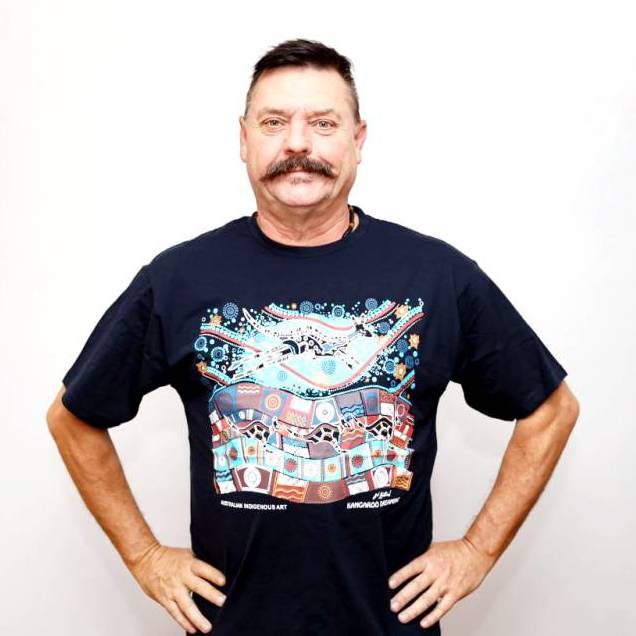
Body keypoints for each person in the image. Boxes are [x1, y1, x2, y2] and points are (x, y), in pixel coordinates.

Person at [46, 38, 580, 636]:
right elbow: (73, 416)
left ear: (358, 139)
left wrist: (478, 550)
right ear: (243, 139)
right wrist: (145, 557)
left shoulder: (436, 276)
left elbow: (551, 408)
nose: (297, 143)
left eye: (322, 123)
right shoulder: (178, 280)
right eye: (274, 122)